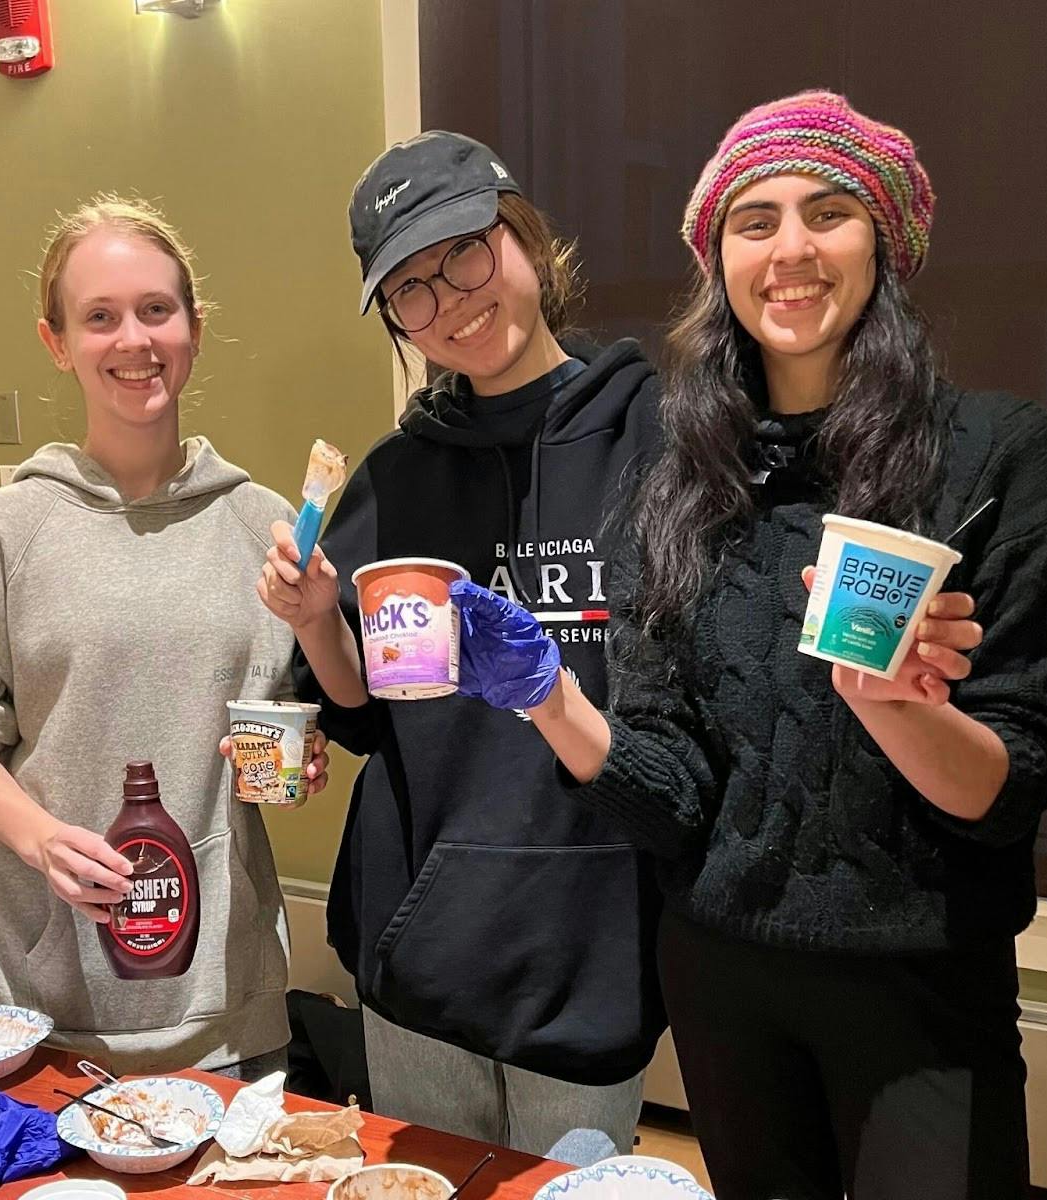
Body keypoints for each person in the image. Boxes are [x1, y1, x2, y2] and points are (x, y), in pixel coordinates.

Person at [449, 92, 1047, 1199]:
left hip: (920, 983)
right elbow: (673, 792)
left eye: (827, 211)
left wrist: (897, 703)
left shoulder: (997, 462)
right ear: (718, 260)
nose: (790, 248)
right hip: (720, 974)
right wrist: (548, 697)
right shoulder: (674, 485)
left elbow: (1011, 785)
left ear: (884, 241)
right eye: (753, 221)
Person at [256, 131, 664, 1162]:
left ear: (524, 237)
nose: (450, 303)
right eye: (410, 291)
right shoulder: (397, 475)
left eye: (465, 256)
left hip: (592, 947)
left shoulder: (656, 438)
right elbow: (355, 717)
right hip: (422, 948)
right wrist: (314, 618)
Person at [0, 195, 329, 1079]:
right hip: (35, 1002)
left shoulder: (266, 526)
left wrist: (294, 763)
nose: (134, 340)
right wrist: (42, 837)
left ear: (195, 326)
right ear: (56, 342)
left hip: (222, 1002)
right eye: (99, 317)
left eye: (157, 310)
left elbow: (271, 725)